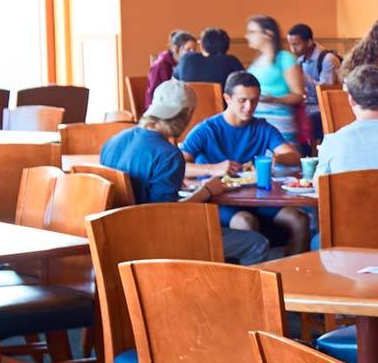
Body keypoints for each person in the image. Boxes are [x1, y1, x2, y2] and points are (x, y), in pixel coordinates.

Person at [98, 79, 270, 265]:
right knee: (257, 243)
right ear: (187, 114)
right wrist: (207, 191)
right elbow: (168, 215)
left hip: (117, 238)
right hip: (157, 241)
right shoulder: (168, 155)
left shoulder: (113, 141)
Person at [180, 71, 308, 251]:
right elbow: (178, 167)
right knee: (246, 223)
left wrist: (277, 157)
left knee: (300, 220)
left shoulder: (262, 127)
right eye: (242, 100)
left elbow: (293, 156)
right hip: (218, 200)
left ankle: (292, 275)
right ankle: (249, 278)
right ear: (227, 98)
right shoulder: (206, 129)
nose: (249, 107)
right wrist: (213, 169)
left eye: (254, 101)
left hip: (257, 199)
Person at [244, 15, 306, 145]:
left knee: (281, 160)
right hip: (255, 121)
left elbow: (299, 96)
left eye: (252, 32)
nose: (247, 36)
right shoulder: (256, 61)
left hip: (279, 122)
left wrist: (274, 99)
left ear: (268, 34)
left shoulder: (285, 58)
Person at [288, 23, 340, 142]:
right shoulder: (300, 60)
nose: (292, 49)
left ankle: (309, 151)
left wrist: (302, 76)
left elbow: (327, 94)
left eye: (296, 44)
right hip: (308, 105)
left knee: (306, 119)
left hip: (323, 107)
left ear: (309, 42)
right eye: (290, 45)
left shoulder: (328, 59)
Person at [146, 30, 197, 108]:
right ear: (176, 49)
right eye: (188, 49)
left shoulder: (185, 65)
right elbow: (156, 94)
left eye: (194, 50)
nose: (192, 53)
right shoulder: (161, 65)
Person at [175, 27, 243, 84]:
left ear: (202, 45)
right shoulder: (231, 61)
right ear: (227, 45)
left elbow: (174, 82)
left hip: (190, 100)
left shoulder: (187, 59)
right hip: (221, 100)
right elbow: (246, 83)